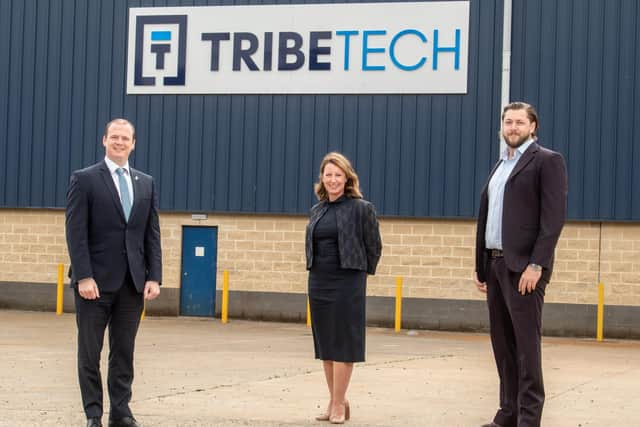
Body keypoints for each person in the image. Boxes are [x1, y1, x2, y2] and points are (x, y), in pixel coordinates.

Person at [474, 102, 568, 427]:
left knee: (526, 348)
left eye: (519, 122)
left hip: (525, 270)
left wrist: (537, 264)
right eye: (508, 122)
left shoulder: (546, 161)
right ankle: (508, 413)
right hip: (496, 265)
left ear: (532, 126)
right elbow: (489, 218)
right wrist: (481, 265)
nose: (512, 127)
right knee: (503, 345)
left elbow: (552, 219)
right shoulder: (501, 165)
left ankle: (529, 419)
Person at [66, 119, 162, 427]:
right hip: (93, 284)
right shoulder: (85, 179)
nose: (119, 142)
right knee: (89, 353)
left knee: (124, 352)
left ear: (134, 144)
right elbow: (76, 233)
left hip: (132, 285)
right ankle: (93, 413)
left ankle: (121, 412)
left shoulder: (145, 182)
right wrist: (83, 276)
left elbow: (151, 233)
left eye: (125, 138)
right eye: (114, 137)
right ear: (104, 140)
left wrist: (154, 276)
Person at [305, 152, 382, 424]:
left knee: (343, 345)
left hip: (348, 281)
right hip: (319, 281)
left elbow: (374, 246)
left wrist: (360, 274)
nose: (333, 180)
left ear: (347, 178)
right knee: (326, 345)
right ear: (322, 179)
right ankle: (335, 400)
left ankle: (338, 404)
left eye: (338, 175)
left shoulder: (362, 208)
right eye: (328, 175)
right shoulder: (318, 210)